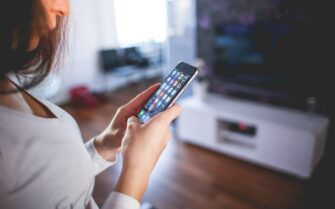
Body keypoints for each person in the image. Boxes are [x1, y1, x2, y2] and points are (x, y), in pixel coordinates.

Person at [0, 0, 181, 208]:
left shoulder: (9, 84)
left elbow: (53, 179)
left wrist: (104, 144)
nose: (65, 9)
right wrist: (137, 171)